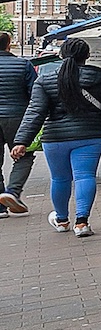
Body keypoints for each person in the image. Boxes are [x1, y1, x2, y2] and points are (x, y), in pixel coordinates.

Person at [9, 38, 101, 237]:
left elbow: (35, 112)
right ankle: (82, 223)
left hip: (55, 138)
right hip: (91, 135)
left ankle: (62, 220)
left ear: (60, 55)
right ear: (87, 55)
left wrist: (22, 141)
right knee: (85, 176)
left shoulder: (45, 80)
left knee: (59, 178)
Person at [0, 30, 33, 214]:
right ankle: (12, 191)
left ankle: (0, 206)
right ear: (8, 44)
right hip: (17, 117)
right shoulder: (23, 65)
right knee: (24, 155)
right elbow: (35, 94)